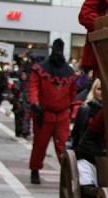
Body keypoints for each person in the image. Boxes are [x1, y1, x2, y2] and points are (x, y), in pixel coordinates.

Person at [28, 39, 77, 184]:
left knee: (64, 146)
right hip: (44, 113)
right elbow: (33, 87)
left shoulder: (69, 73)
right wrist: (35, 103)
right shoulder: (40, 70)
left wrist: (71, 108)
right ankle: (35, 169)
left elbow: (73, 93)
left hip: (62, 115)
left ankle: (68, 173)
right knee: (40, 144)